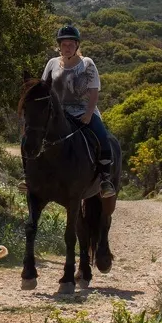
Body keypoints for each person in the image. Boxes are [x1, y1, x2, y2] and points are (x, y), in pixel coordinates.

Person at [41, 24, 116, 195]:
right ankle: (28, 176)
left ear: (77, 46)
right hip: (58, 114)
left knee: (102, 138)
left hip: (82, 112)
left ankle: (105, 180)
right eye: (64, 45)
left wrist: (89, 114)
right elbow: (44, 89)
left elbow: (94, 91)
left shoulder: (87, 64)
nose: (67, 48)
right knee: (32, 135)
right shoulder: (52, 64)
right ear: (59, 46)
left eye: (71, 45)